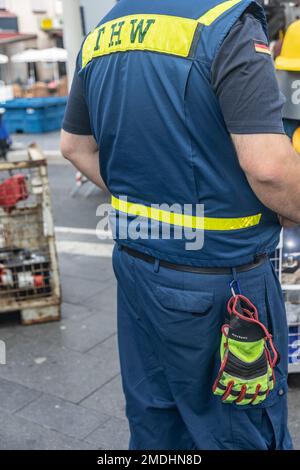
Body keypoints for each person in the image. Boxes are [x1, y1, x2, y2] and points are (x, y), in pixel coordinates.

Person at [60, 0, 298, 450]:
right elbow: (269, 168)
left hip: (135, 269)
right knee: (236, 432)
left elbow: (75, 146)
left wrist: (149, 206)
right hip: (223, 285)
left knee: (157, 426)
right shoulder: (228, 22)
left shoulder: (103, 32)